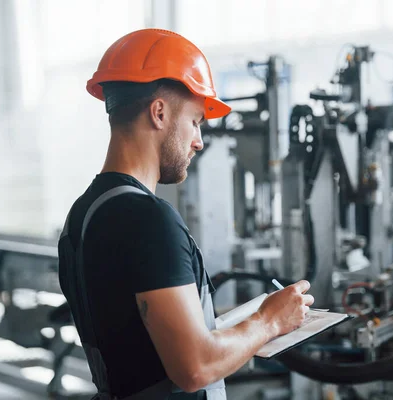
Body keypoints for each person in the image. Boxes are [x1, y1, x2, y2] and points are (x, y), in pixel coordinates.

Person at [58, 28, 314, 400]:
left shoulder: (82, 214)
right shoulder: (147, 219)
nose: (199, 140)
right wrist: (271, 320)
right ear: (159, 113)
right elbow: (195, 366)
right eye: (195, 121)